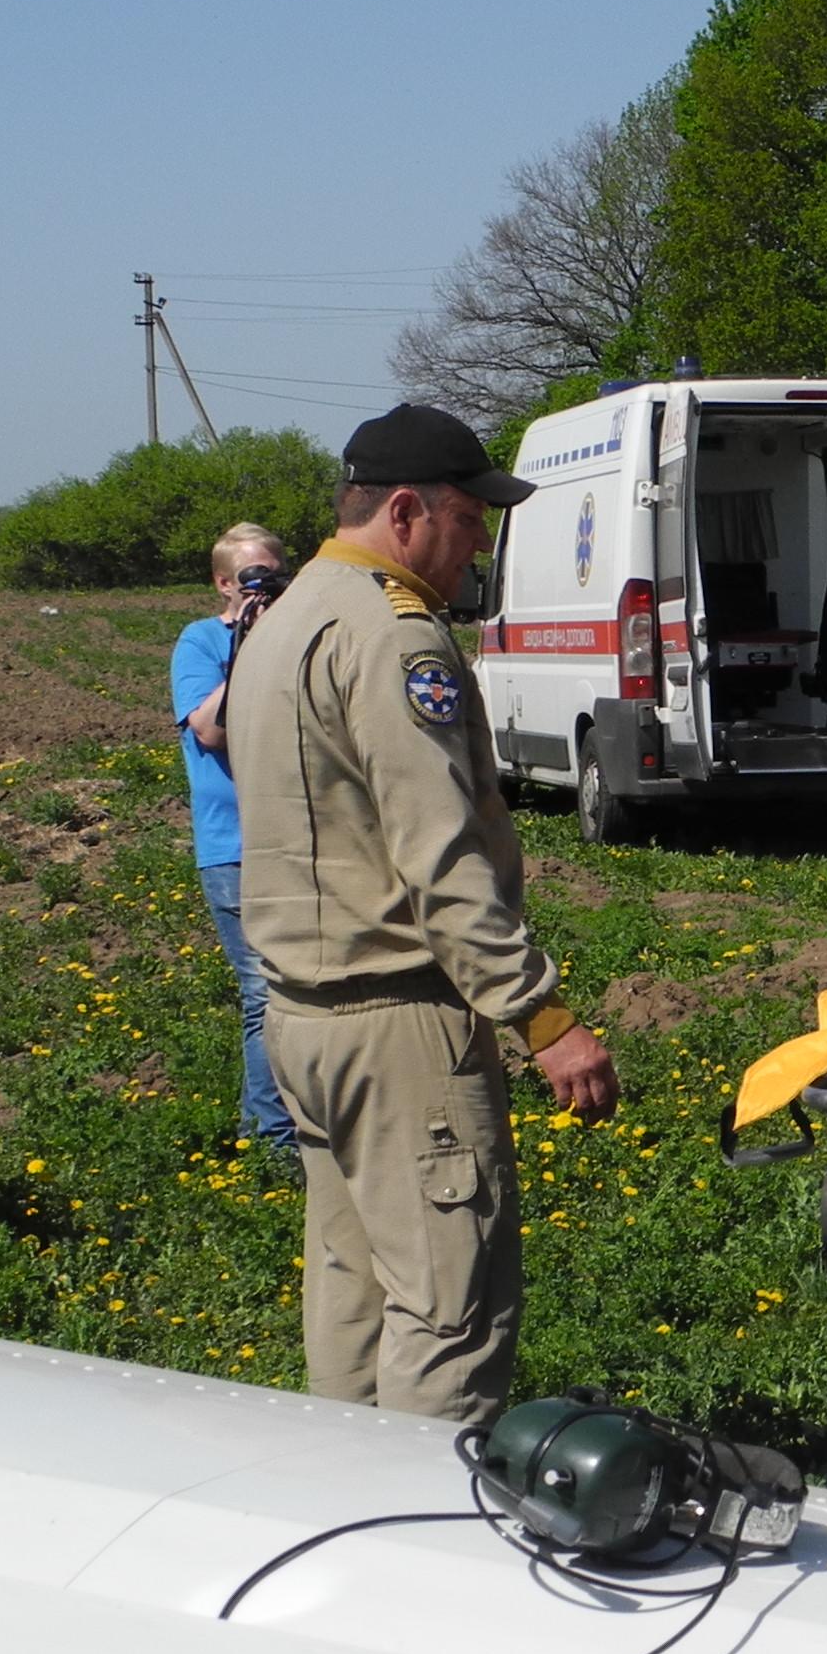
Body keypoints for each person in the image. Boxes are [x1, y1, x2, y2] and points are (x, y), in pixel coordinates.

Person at [230, 406, 618, 1421]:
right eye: (469, 518)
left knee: (354, 1297)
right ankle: (423, 1513)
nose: (479, 543)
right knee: (451, 1314)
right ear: (404, 512)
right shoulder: (393, 636)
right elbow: (439, 856)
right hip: (398, 1023)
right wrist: (543, 1018)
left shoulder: (283, 621)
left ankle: (338, 1493)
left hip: (302, 1016)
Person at [170, 521, 301, 1159]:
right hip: (236, 847)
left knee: (308, 989)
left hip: (301, 838)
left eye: (275, 575)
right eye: (253, 578)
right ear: (224, 584)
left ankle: (284, 1123)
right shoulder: (201, 642)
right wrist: (249, 643)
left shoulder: (300, 635)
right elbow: (211, 731)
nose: (265, 588)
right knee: (266, 995)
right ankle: (274, 1140)